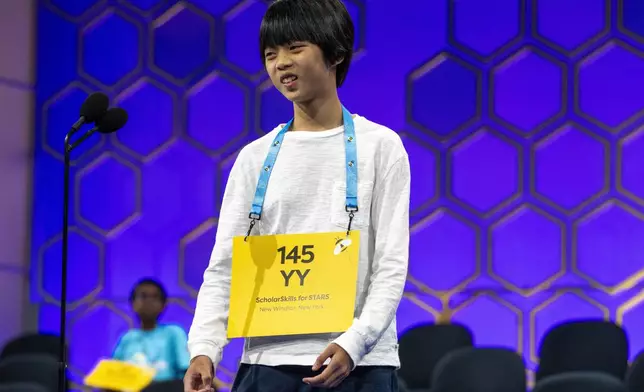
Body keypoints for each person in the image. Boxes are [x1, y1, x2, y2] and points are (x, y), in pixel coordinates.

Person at [184, 0, 410, 391]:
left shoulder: (381, 147)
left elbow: (390, 264)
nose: (280, 63)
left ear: (336, 52)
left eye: (295, 48)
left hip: (360, 364)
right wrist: (204, 348)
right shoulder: (253, 158)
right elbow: (225, 267)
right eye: (271, 54)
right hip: (268, 364)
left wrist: (355, 342)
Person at [112, 278, 191, 382]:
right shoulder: (127, 338)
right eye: (143, 296)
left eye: (155, 297)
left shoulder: (173, 333)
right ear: (133, 304)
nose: (149, 301)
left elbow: (186, 370)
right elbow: (113, 376)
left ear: (163, 305)